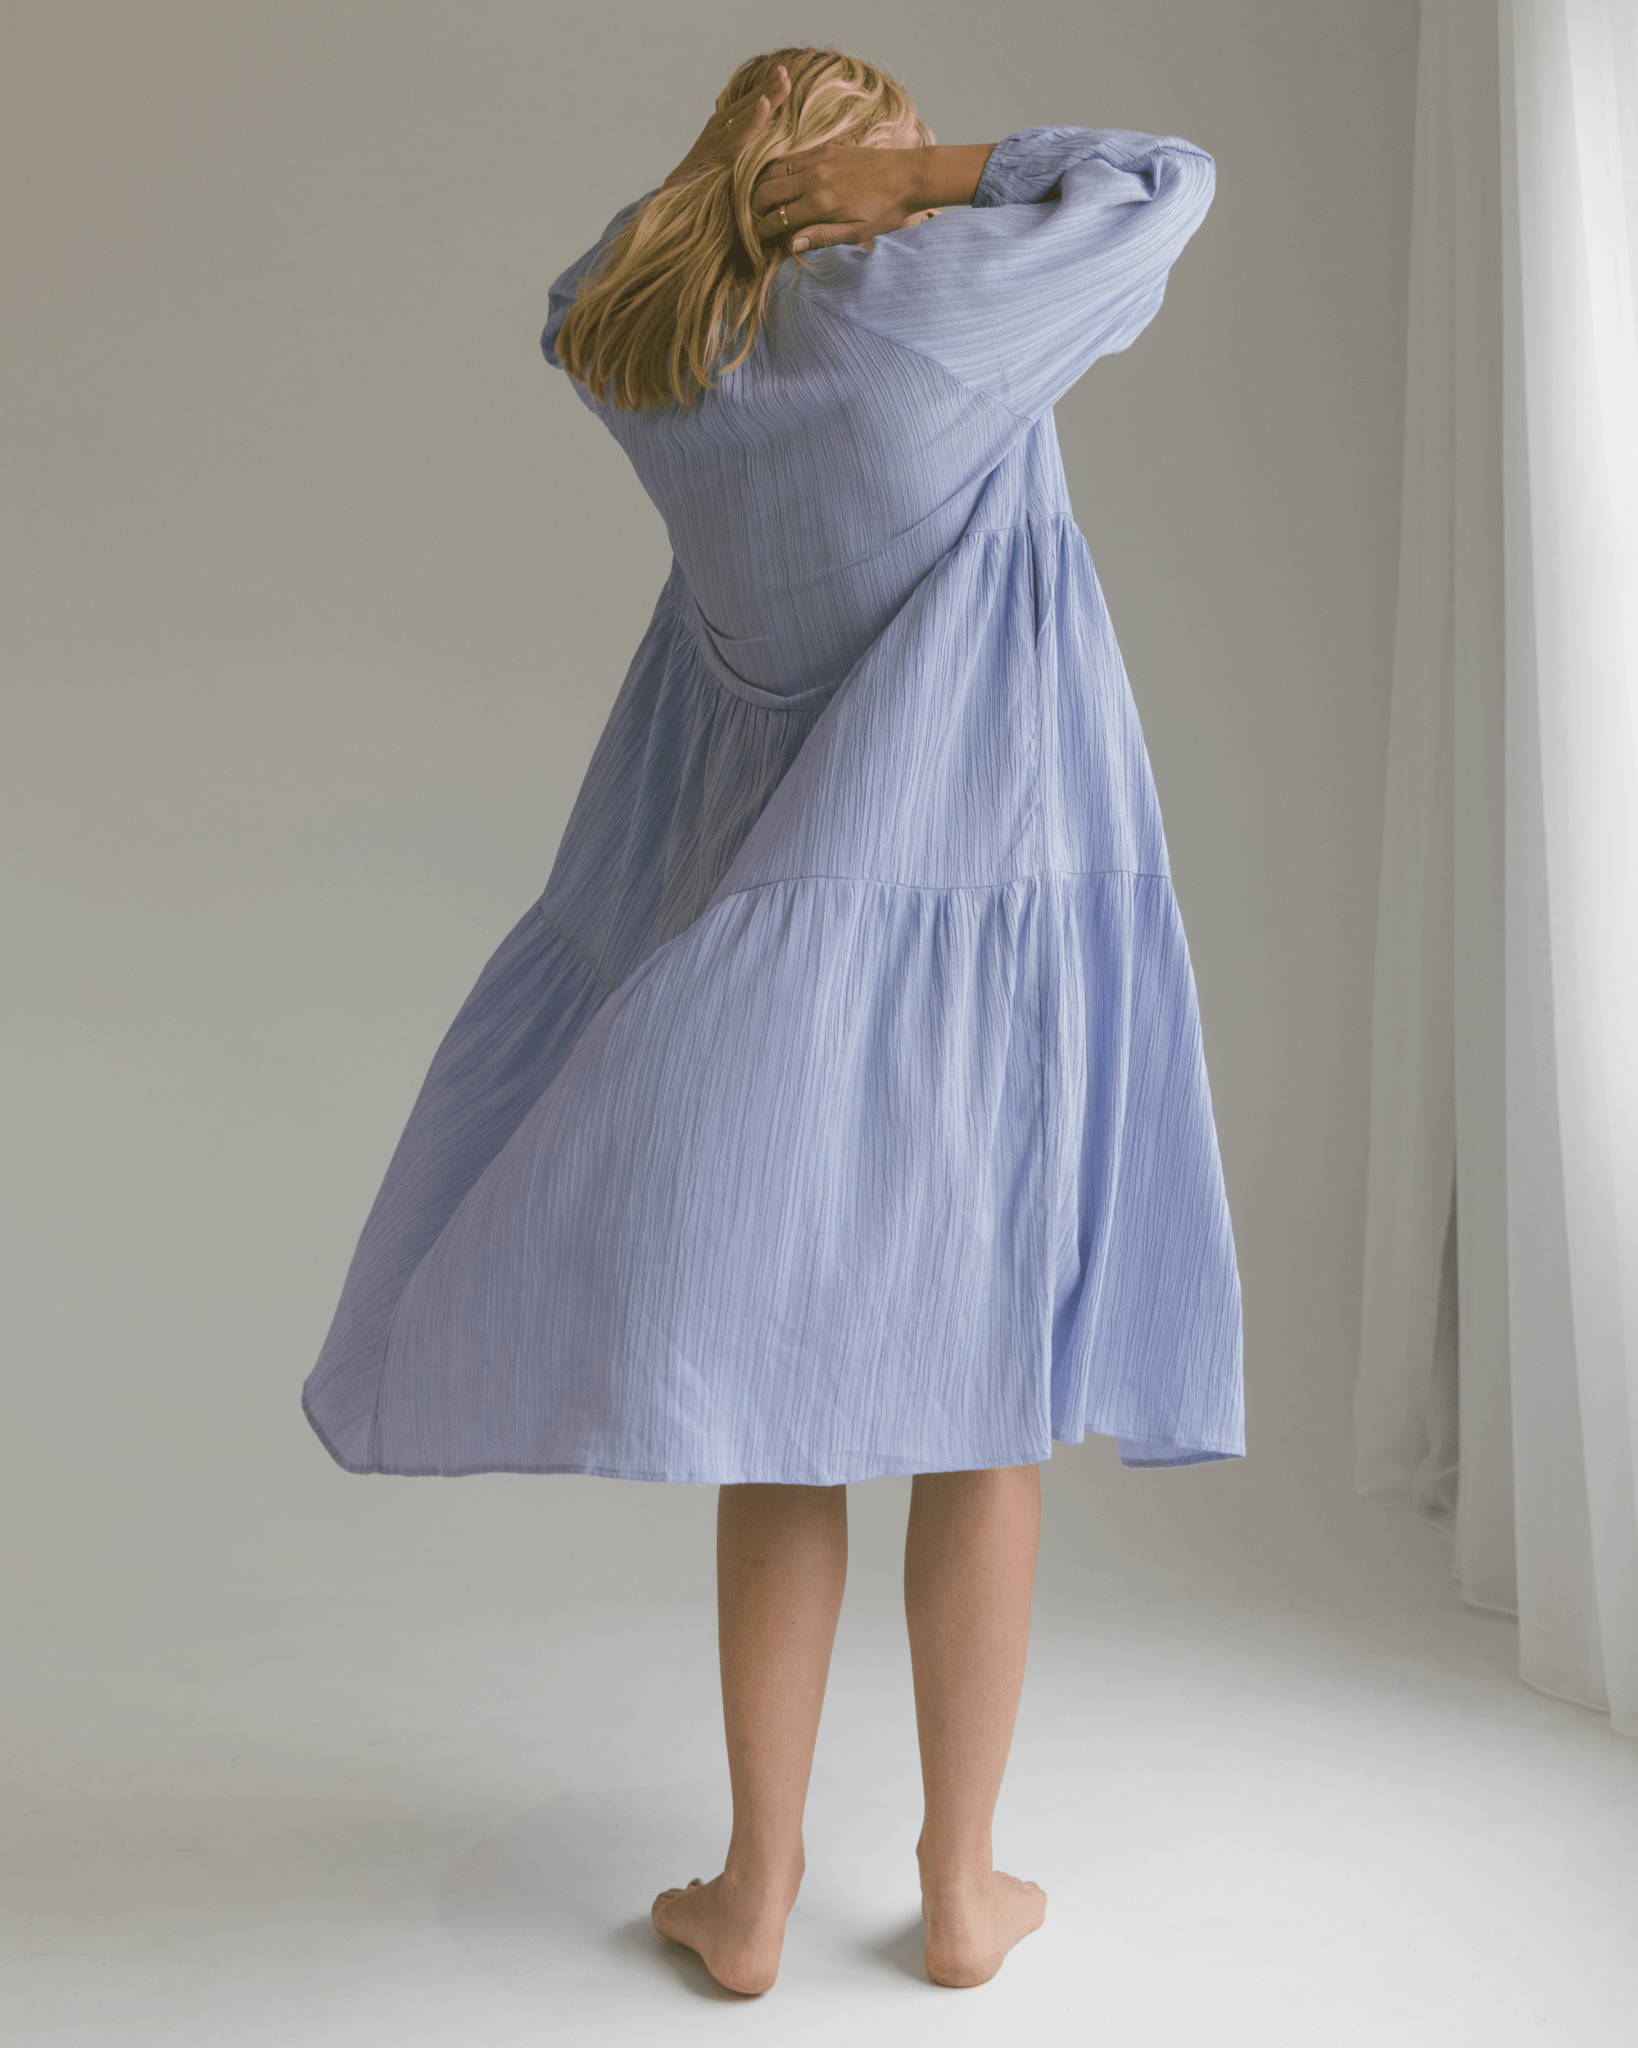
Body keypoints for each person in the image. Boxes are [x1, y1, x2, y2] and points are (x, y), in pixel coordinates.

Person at [303, 44, 1243, 1998]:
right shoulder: (928, 323)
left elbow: (584, 282)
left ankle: (753, 1893)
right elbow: (1164, 181)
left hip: (774, 964)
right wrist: (930, 174)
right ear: (865, 168)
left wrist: (735, 185)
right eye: (895, 133)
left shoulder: (672, 362)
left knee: (784, 1420)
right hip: (971, 956)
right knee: (982, 1420)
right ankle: (962, 1890)